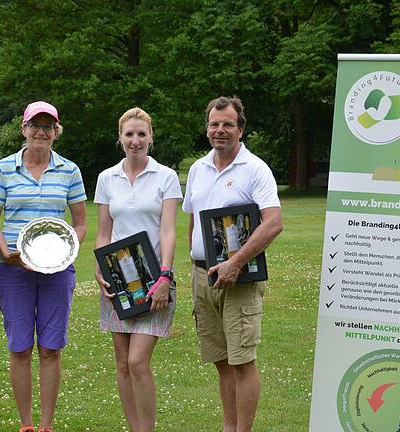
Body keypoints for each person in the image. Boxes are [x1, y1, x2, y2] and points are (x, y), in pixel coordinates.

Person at [182, 96, 283, 432]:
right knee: (222, 363)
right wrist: (195, 261)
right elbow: (193, 221)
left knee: (243, 362)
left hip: (238, 280)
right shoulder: (197, 169)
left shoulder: (255, 169)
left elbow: (273, 222)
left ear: (241, 128)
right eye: (214, 124)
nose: (220, 130)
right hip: (203, 277)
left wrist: (236, 262)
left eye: (227, 124)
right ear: (207, 128)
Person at [0, 101, 87, 432]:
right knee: (20, 347)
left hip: (56, 272)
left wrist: (65, 250)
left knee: (50, 348)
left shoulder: (70, 170)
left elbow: (81, 223)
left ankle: (46, 426)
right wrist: (6, 251)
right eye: (35, 125)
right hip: (13, 270)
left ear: (56, 131)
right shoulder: (2, 170)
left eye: (48, 126)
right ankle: (26, 425)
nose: (41, 131)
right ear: (24, 129)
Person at [93, 107, 182, 432]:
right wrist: (99, 269)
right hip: (117, 282)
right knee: (122, 363)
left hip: (154, 281)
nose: (135, 141)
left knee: (137, 361)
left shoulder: (166, 176)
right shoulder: (107, 178)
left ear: (150, 137)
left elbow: (168, 230)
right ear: (120, 137)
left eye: (141, 134)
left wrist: (165, 276)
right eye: (129, 134)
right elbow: (104, 232)